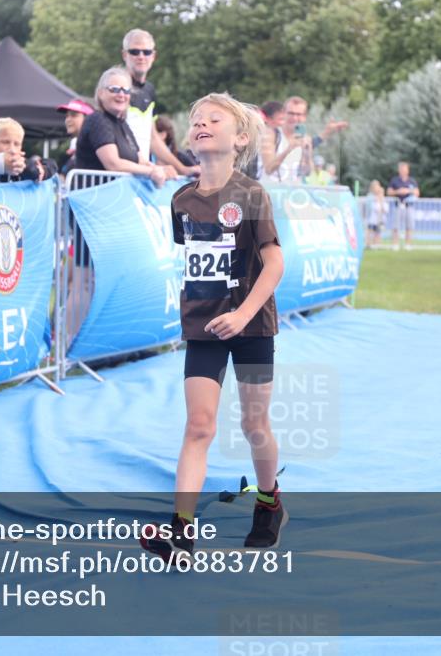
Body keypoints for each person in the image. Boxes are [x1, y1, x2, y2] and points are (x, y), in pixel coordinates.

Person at [140, 92, 286, 563]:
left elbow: (274, 263)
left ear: (240, 138)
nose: (201, 124)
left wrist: (242, 314)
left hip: (253, 326)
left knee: (254, 423)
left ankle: (269, 502)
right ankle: (181, 533)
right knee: (199, 424)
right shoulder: (181, 200)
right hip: (204, 328)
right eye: (196, 119)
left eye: (214, 119)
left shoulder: (252, 194)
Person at [73, 66, 175, 187]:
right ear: (100, 93)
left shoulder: (122, 123)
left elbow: (141, 161)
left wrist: (161, 169)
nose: (121, 95)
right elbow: (113, 164)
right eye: (115, 89)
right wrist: (151, 172)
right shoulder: (98, 120)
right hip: (93, 195)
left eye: (126, 91)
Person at [120, 28, 199, 176]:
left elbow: (154, 139)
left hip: (142, 173)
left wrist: (183, 169)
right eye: (134, 52)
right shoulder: (117, 87)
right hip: (120, 174)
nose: (141, 56)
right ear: (124, 55)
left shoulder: (149, 89)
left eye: (146, 52)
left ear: (154, 56)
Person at [262, 95, 347, 183]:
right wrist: (289, 149)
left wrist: (307, 156)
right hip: (268, 189)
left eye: (298, 114)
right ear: (284, 114)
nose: (294, 118)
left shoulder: (304, 138)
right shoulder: (271, 134)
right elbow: (268, 169)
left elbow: (307, 173)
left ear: (304, 117)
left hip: (290, 190)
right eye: (291, 113)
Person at [0, 117, 57, 182]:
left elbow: (51, 165)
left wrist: (31, 169)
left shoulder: (23, 167)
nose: (12, 149)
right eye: (5, 142)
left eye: (17, 144)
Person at [386, 161, 420, 250]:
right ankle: (395, 244)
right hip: (398, 206)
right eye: (401, 169)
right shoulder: (394, 180)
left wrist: (408, 191)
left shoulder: (412, 181)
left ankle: (408, 244)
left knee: (409, 226)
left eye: (404, 169)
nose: (403, 171)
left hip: (409, 206)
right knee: (396, 226)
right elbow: (389, 192)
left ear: (408, 170)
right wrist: (398, 191)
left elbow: (417, 192)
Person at [56, 97, 95, 173]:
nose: (68, 120)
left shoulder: (95, 146)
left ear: (88, 119)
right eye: (67, 116)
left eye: (74, 115)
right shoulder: (78, 147)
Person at [365, 180, 387, 247]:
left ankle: (376, 244)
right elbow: (370, 207)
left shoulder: (381, 196)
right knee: (370, 230)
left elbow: (384, 207)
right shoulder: (370, 196)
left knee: (378, 231)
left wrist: (381, 196)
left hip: (379, 218)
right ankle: (368, 244)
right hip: (371, 218)